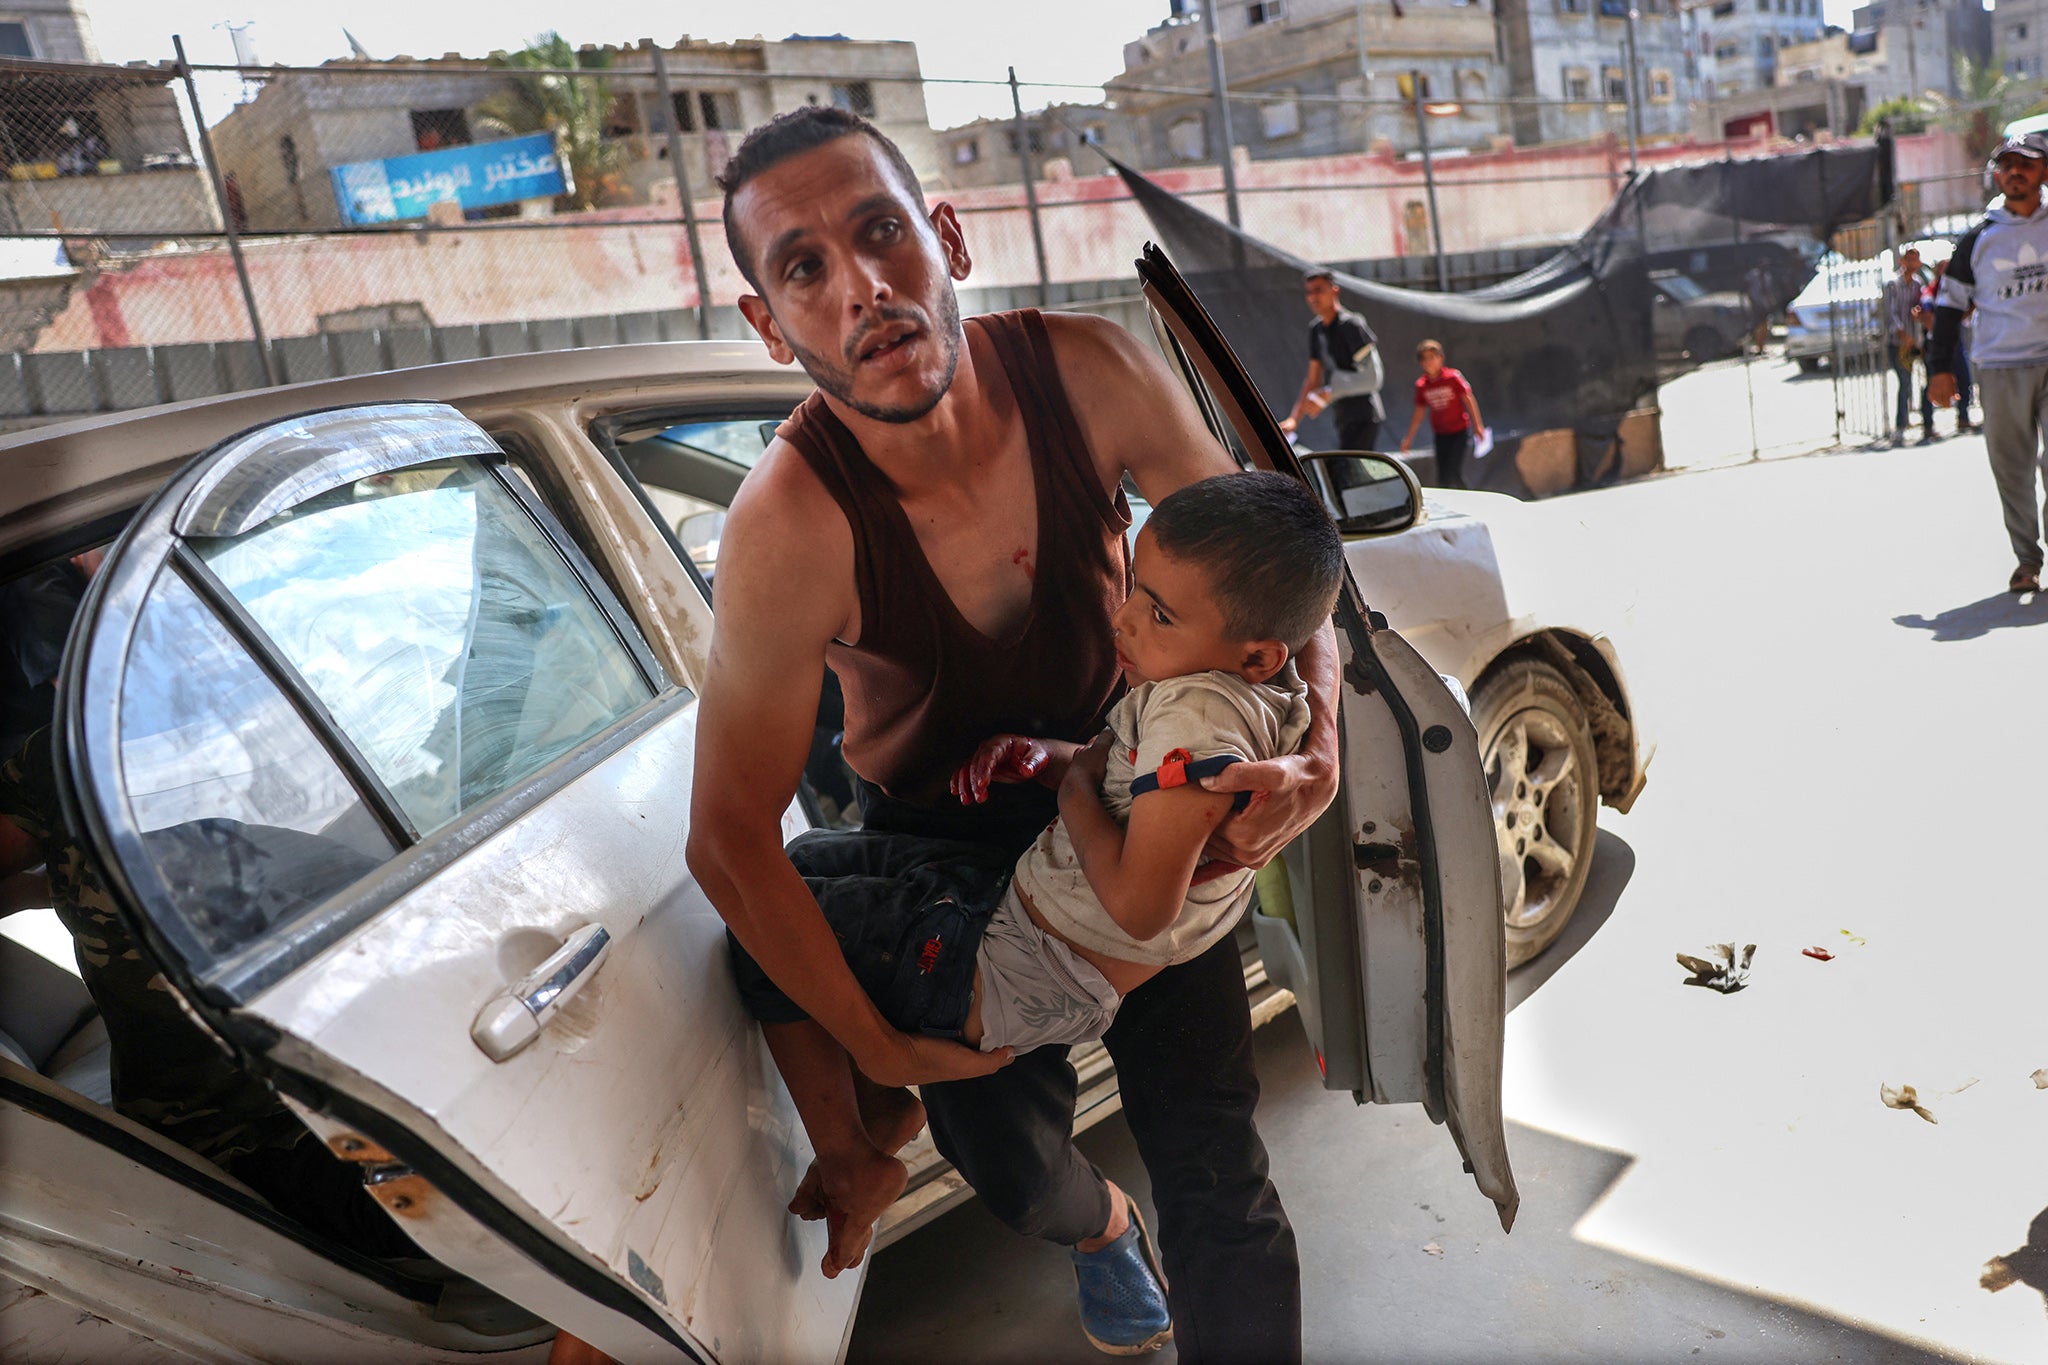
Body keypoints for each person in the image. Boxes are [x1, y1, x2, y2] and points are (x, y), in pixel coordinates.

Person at [687, 105, 1340, 1362]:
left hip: (1137, 788)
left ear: (946, 240)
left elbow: (1271, 569)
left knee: (1217, 1164)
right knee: (1018, 1176)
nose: (863, 287)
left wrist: (1313, 749)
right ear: (771, 328)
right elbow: (727, 840)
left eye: (882, 233)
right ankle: (1100, 1234)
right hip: (945, 845)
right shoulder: (788, 525)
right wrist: (875, 1046)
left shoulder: (1087, 371)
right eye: (804, 267)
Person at [726, 472, 1340, 1298]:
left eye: (1158, 613)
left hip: (1010, 968)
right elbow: (1142, 790)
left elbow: (1140, 905)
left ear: (1257, 653)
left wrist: (1076, 783)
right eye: (1132, 587)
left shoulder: (1196, 727)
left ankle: (853, 1157)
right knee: (803, 874)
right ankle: (882, 1108)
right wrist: (1054, 755)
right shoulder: (1253, 689)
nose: (1121, 618)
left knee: (764, 929)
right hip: (1016, 917)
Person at [1931, 131, 2048, 594]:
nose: (2015, 172)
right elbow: (1947, 306)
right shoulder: (1977, 239)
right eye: (2007, 165)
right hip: (2001, 367)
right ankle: (2028, 559)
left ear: (2044, 172)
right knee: (2012, 468)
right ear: (1996, 175)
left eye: (2027, 164)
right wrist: (1939, 367)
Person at [1278, 269, 1385, 451]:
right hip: (1342, 416)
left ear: (1334, 291)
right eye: (1309, 292)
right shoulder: (1316, 330)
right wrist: (1293, 420)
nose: (1313, 297)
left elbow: (1373, 378)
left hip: (1365, 417)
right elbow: (1313, 379)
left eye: (1319, 290)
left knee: (1351, 473)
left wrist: (1328, 393)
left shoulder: (1353, 325)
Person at [1398, 339, 1487, 490]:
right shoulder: (1422, 385)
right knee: (1444, 476)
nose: (1429, 362)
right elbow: (1419, 413)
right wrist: (1409, 438)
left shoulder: (1453, 377)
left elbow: (1469, 400)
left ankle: (1469, 501)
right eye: (1424, 358)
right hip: (1441, 434)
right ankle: (1458, 502)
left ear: (1441, 358)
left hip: (1459, 431)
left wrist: (1478, 426)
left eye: (1432, 357)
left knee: (1453, 472)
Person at [1885, 246, 1938, 447]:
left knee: (1927, 381)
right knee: (1905, 384)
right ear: (1902, 262)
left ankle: (1928, 425)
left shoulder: (1918, 285)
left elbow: (1923, 307)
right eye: (1909, 260)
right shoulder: (1893, 284)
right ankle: (1900, 428)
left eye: (1916, 260)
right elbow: (1891, 315)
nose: (1913, 264)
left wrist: (1918, 315)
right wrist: (1903, 335)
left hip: (1917, 341)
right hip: (1898, 344)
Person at [1924, 259, 1975, 434]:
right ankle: (1928, 425)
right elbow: (1927, 315)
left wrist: (1952, 319)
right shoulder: (1931, 291)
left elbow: (1966, 310)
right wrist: (1942, 331)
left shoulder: (1958, 289)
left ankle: (1963, 417)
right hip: (1937, 343)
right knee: (1934, 380)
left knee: (1964, 380)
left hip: (1956, 342)